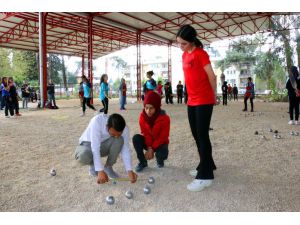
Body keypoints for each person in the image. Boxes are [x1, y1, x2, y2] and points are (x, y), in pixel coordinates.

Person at [177, 24, 217, 192]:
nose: (181, 47)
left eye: (184, 44)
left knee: (202, 135)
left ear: (192, 41)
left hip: (204, 99)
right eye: (178, 43)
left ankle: (205, 176)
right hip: (192, 100)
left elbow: (212, 77)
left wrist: (214, 97)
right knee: (196, 135)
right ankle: (206, 164)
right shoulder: (185, 55)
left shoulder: (201, 54)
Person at [75, 113, 138, 184]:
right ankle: (93, 165)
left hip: (103, 145)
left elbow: (125, 149)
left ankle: (108, 167)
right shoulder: (97, 121)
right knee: (83, 155)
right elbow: (95, 147)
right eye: (113, 134)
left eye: (119, 134)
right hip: (88, 145)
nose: (116, 136)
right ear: (107, 127)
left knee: (119, 140)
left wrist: (129, 170)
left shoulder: (125, 129)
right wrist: (100, 170)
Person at [133, 91, 170, 172]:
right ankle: (143, 162)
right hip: (149, 142)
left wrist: (152, 148)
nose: (148, 111)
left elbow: (163, 137)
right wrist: (149, 147)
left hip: (160, 143)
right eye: (146, 108)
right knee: (136, 138)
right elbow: (145, 133)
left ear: (157, 107)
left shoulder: (165, 118)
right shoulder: (142, 117)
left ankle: (160, 160)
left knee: (162, 152)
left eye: (151, 108)